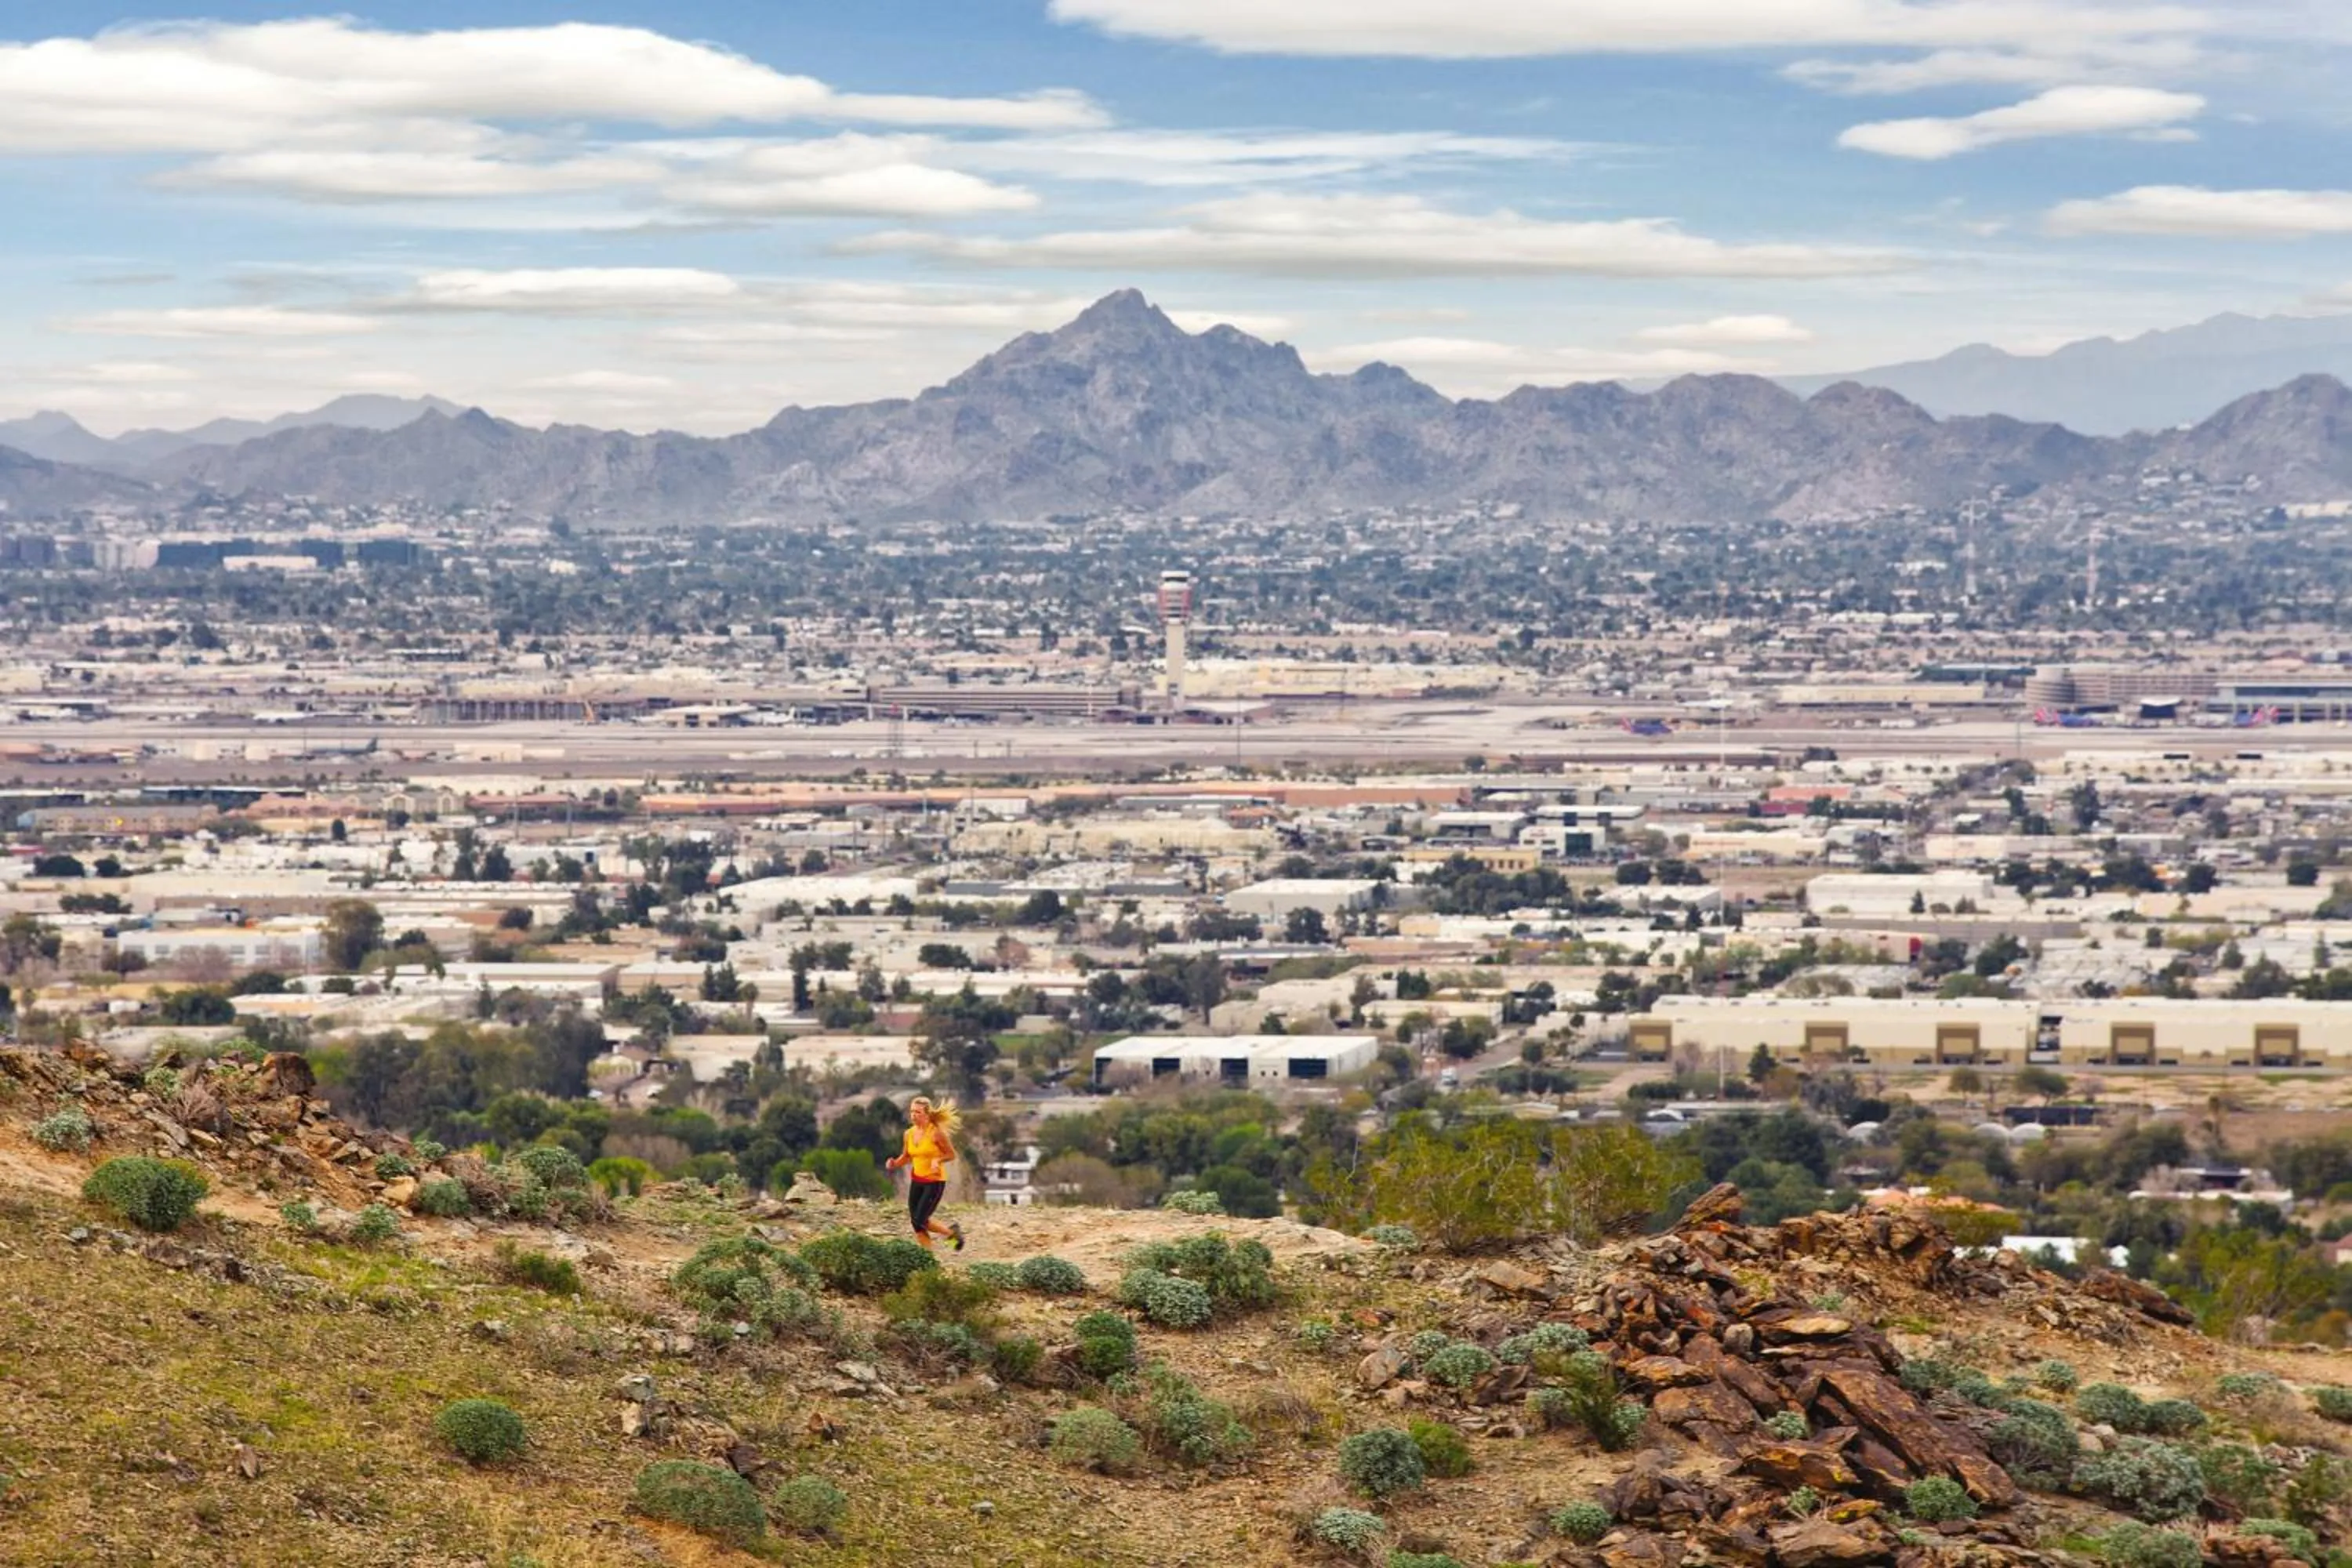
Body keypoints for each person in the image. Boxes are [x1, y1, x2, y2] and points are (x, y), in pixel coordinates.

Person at [886, 1096, 964, 1251]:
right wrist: (895, 1163)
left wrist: (938, 1160)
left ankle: (952, 1234)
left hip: (934, 1182)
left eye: (918, 1112)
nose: (914, 1115)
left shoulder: (936, 1133)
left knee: (920, 1219)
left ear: (927, 1114)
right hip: (917, 1181)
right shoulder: (908, 1134)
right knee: (916, 1223)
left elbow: (951, 1154)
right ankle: (929, 1257)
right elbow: (907, 1156)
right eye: (912, 1112)